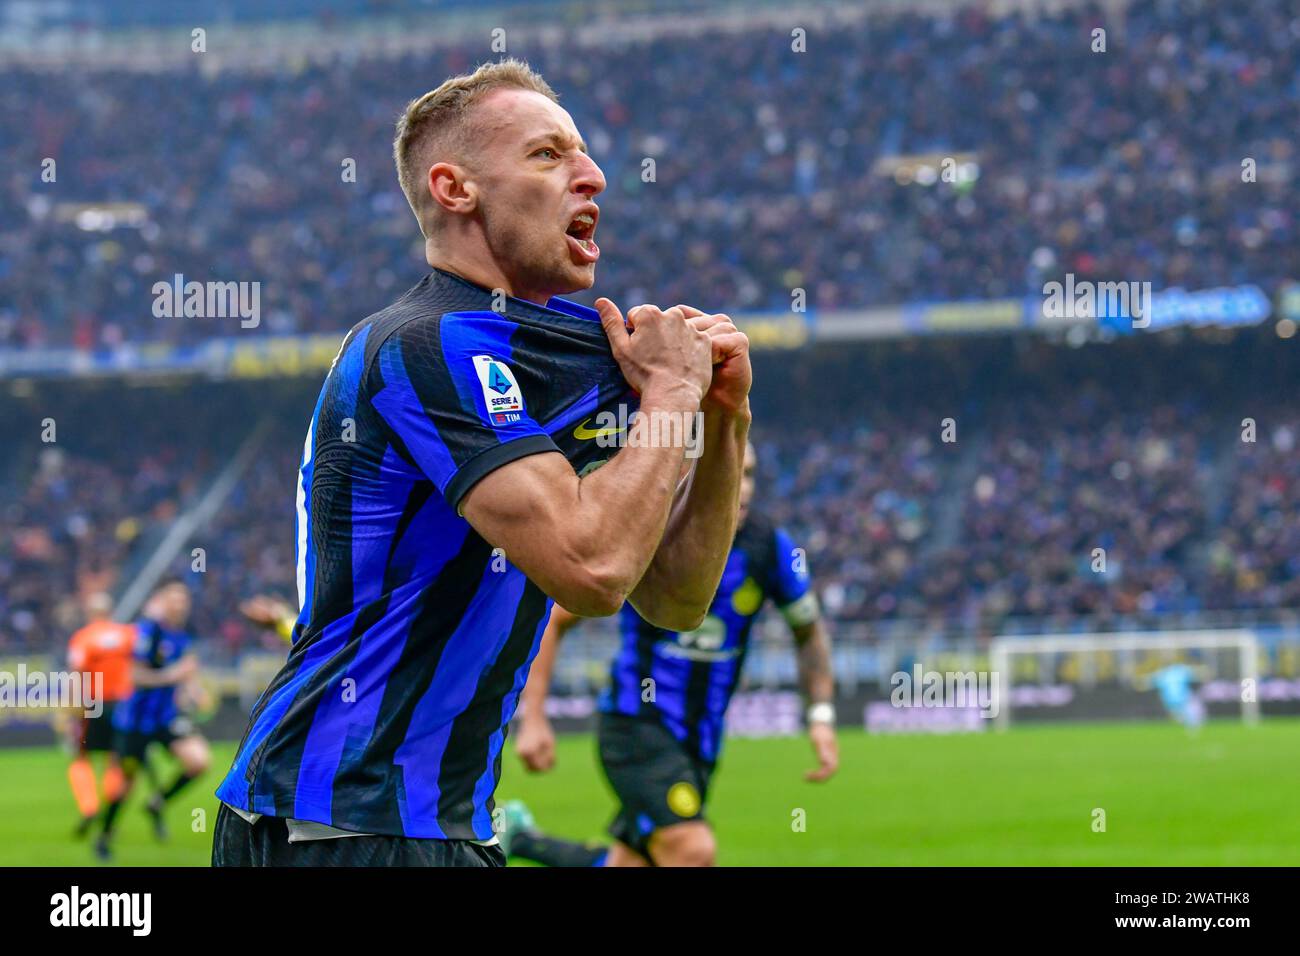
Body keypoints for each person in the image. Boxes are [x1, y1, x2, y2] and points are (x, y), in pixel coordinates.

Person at [211, 58, 751, 867]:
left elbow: (673, 598)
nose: (593, 174)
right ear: (456, 189)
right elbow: (593, 568)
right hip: (347, 820)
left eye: (585, 154)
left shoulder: (553, 357)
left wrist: (723, 418)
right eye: (547, 154)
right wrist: (673, 391)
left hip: (442, 825)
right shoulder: (427, 344)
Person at [505, 442, 837, 866]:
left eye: (750, 473)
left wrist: (821, 718)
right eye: (730, 467)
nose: (743, 485)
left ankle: (521, 839)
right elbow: (556, 620)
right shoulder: (652, 536)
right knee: (692, 850)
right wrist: (533, 719)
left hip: (701, 740)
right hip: (637, 725)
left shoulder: (771, 549)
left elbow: (808, 633)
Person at [95, 578, 211, 860]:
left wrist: (192, 690)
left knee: (199, 761)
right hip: (136, 721)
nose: (180, 604)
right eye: (174, 598)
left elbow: (184, 672)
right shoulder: (148, 632)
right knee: (126, 782)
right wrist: (174, 676)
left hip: (165, 717)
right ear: (162, 600)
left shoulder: (183, 635)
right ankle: (105, 836)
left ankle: (157, 802)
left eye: (183, 598)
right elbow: (136, 676)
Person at [65, 592, 136, 837]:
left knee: (80, 757)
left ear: (90, 613)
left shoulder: (83, 638)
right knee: (115, 759)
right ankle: (110, 810)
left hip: (94, 703)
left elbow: (77, 673)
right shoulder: (128, 635)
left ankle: (89, 808)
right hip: (123, 704)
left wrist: (72, 710)